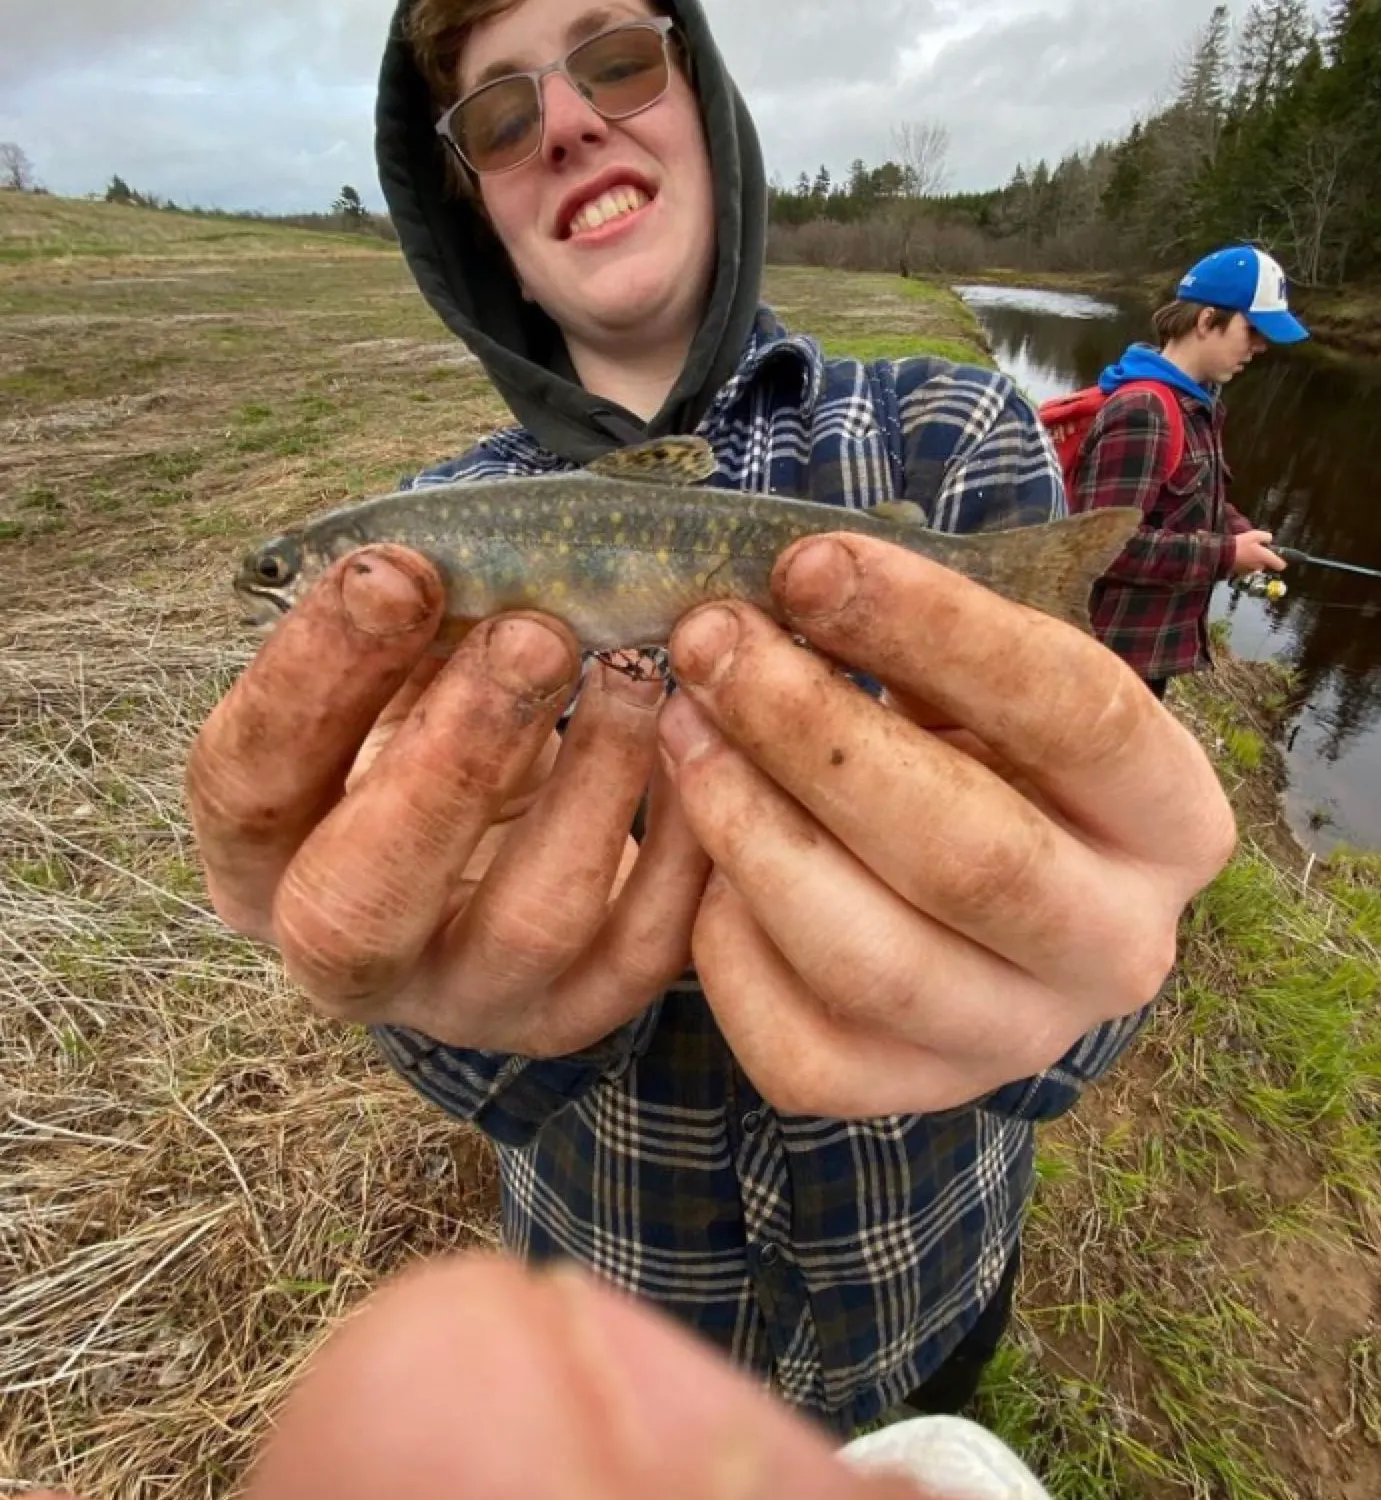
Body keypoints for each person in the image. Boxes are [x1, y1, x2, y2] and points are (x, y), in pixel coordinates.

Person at [185, 0, 1236, 1434]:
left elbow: (1094, 904)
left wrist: (1086, 986)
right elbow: (449, 1007)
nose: (563, 122)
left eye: (616, 59)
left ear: (709, 103)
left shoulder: (956, 436)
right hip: (618, 1314)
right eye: (499, 116)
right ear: (474, 213)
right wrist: (399, 976)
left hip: (920, 1282)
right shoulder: (433, 526)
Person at [22, 1250, 1056, 1500]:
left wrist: (1070, 1022)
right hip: (623, 1259)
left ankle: (919, 1412)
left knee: (935, 1385)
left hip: (926, 1266)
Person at [1070, 245, 1308, 699]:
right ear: (1205, 321)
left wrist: (1242, 535)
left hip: (1143, 657)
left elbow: (1188, 499)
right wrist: (1224, 556)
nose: (1260, 348)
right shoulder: (1144, 410)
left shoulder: (1196, 402)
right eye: (1252, 331)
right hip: (1108, 660)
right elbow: (1099, 546)